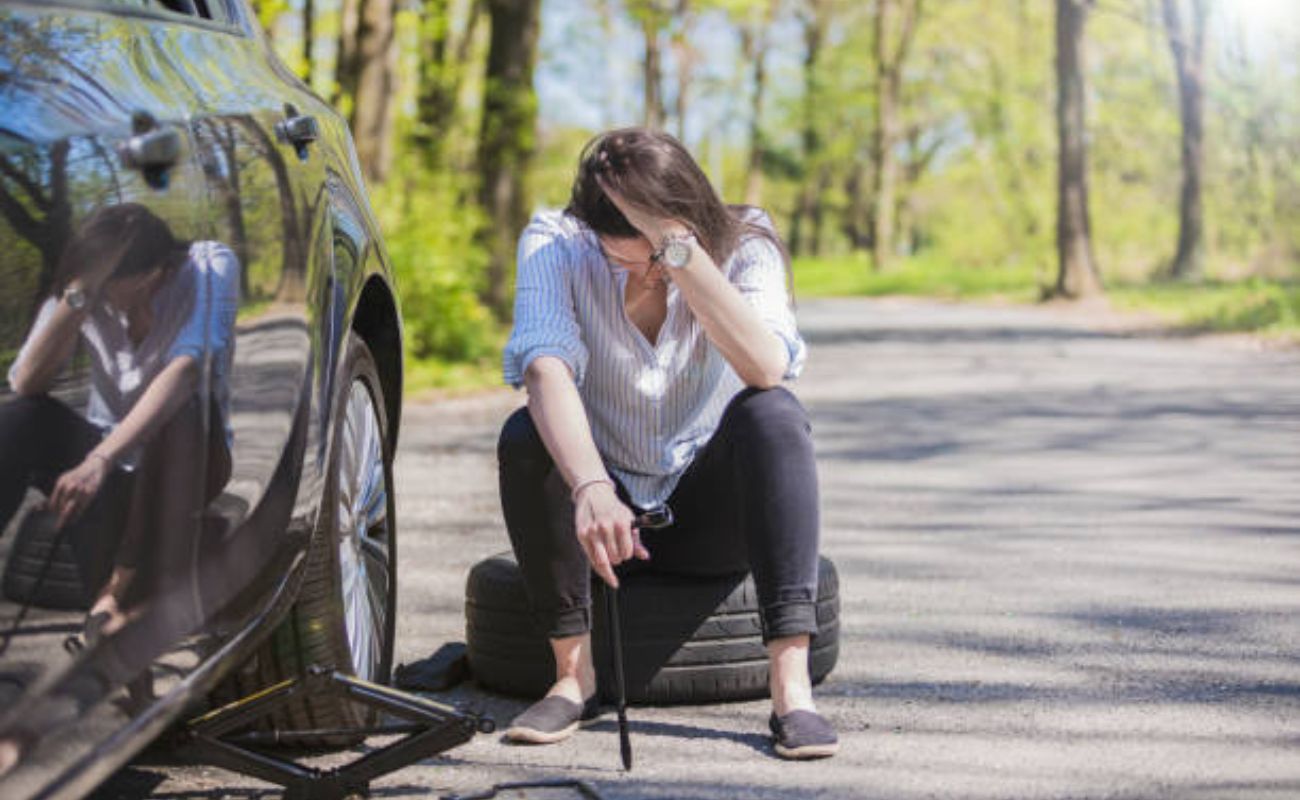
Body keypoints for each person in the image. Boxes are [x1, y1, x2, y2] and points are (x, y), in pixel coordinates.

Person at [496, 127, 837, 759]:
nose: (645, 272)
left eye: (656, 254)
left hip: (710, 517)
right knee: (526, 429)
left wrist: (681, 251)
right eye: (625, 257)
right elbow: (544, 368)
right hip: (606, 521)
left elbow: (765, 365)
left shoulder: (748, 239)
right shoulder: (555, 243)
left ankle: (792, 692)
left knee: (775, 414)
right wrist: (591, 486)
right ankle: (573, 678)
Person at [0, 203, 238, 647]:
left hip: (186, 455)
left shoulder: (208, 267)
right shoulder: (84, 290)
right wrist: (77, 297)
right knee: (20, 416)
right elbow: (27, 381)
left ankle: (118, 593)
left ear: (151, 275)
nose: (99, 293)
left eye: (109, 282)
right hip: (109, 457)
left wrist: (100, 460)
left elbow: (186, 370)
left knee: (182, 413)